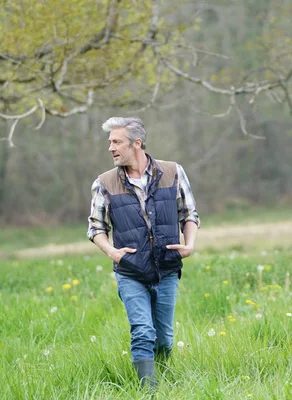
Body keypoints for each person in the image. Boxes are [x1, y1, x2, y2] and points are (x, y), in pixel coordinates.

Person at [87, 117, 200, 389]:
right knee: (142, 332)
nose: (111, 148)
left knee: (163, 338)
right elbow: (95, 227)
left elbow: (189, 214)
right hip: (130, 271)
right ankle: (149, 392)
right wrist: (113, 252)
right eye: (110, 142)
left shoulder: (173, 172)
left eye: (116, 142)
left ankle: (161, 381)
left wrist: (190, 244)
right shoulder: (104, 182)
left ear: (136, 144)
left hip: (167, 268)